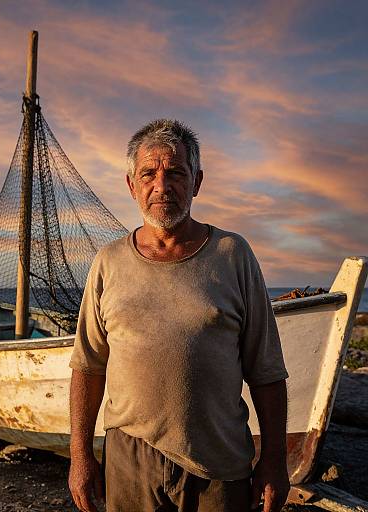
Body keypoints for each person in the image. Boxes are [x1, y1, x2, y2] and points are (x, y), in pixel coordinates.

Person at [68, 119, 290, 512]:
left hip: (218, 464)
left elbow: (266, 370)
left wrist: (274, 460)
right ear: (131, 185)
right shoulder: (108, 263)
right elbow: (88, 367)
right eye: (149, 174)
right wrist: (81, 457)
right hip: (131, 459)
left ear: (197, 182)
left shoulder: (232, 254)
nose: (162, 186)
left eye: (176, 173)